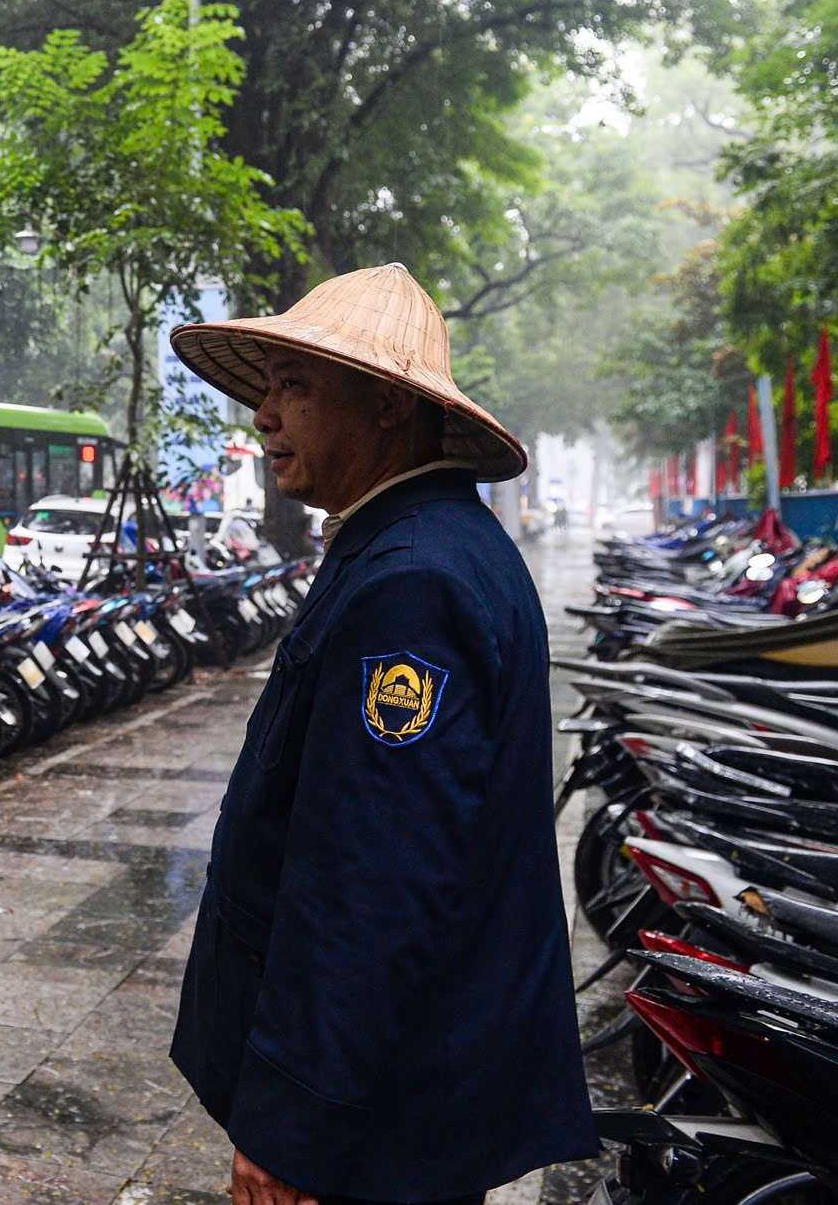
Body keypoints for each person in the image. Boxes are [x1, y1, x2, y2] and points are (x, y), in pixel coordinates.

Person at [166, 263, 596, 1205]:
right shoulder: (421, 546)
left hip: (382, 1118)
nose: (264, 416)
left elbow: (367, 882)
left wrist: (292, 1124)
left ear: (391, 409)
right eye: (267, 385)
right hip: (402, 1096)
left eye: (297, 386)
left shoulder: (414, 580)